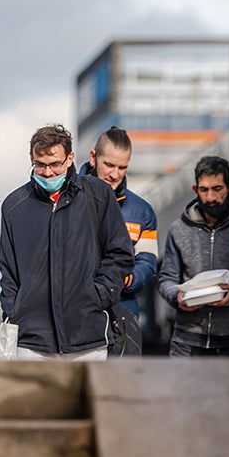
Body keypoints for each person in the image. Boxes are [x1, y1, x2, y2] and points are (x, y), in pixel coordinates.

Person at [0, 124, 133, 361]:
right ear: (31, 158)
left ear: (70, 159)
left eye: (55, 165)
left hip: (88, 337)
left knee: (87, 400)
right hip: (32, 343)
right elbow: (8, 273)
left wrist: (99, 295)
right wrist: (15, 312)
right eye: (40, 165)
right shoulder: (13, 207)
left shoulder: (99, 195)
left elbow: (120, 254)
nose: (48, 173)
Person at [80, 126, 158, 353]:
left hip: (123, 319)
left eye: (122, 167)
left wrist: (123, 280)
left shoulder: (142, 212)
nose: (115, 174)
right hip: (78, 319)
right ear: (93, 158)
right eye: (109, 165)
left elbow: (148, 263)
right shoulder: (68, 201)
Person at [156, 155, 229, 357]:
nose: (210, 197)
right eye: (204, 190)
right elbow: (166, 279)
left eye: (217, 189)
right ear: (195, 190)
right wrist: (178, 297)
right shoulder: (178, 229)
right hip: (186, 342)